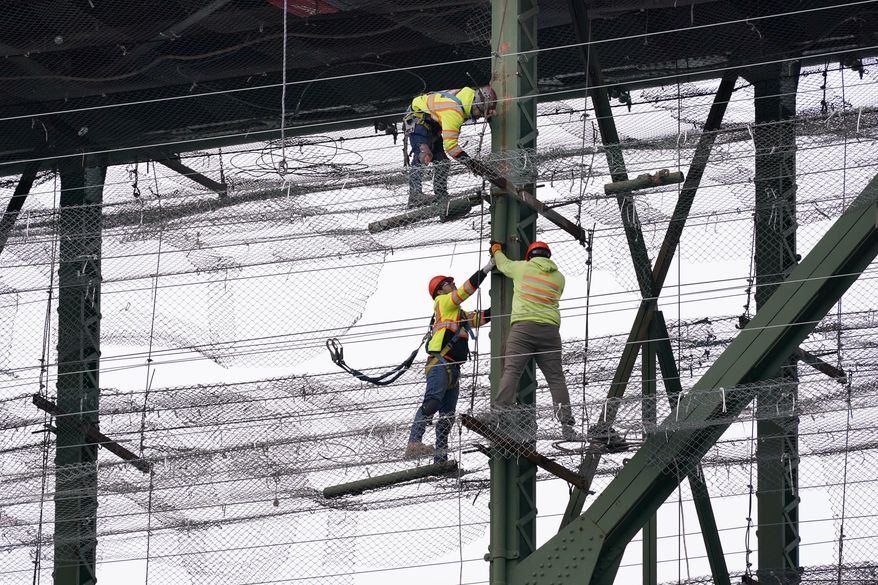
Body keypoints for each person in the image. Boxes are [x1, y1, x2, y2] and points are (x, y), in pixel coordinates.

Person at [489, 240, 581, 441]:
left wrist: (496, 250)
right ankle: (567, 425)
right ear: (548, 256)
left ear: (529, 255)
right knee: (556, 378)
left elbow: (503, 264)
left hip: (523, 329)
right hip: (550, 332)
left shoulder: (523, 268)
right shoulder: (559, 278)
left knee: (512, 370)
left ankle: (496, 413)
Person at [405, 257, 494, 461]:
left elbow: (478, 318)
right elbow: (465, 290)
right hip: (440, 364)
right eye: (448, 283)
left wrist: (498, 307)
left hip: (452, 368)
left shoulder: (456, 313)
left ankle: (441, 457)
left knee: (447, 416)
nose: (452, 284)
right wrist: (486, 269)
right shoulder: (443, 302)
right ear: (439, 291)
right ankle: (414, 443)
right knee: (432, 403)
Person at [403, 85, 498, 215]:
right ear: (475, 105)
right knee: (424, 156)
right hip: (418, 120)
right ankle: (415, 195)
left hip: (432, 124)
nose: (480, 116)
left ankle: (441, 195)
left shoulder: (467, 95)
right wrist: (471, 164)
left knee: (442, 161)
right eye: (480, 112)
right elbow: (451, 147)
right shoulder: (454, 113)